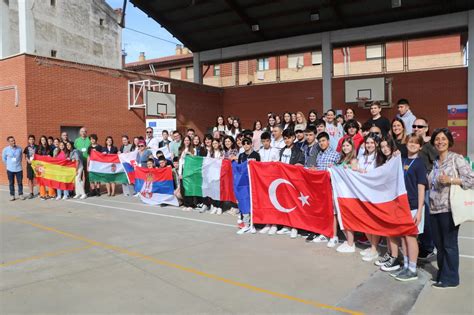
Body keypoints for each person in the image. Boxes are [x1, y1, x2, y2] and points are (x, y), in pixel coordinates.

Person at [428, 128, 474, 289]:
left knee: (449, 244)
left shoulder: (456, 159)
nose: (440, 142)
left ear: (449, 141)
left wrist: (451, 180)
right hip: (434, 209)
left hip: (449, 209)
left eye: (443, 139)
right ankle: (442, 273)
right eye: (437, 139)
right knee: (439, 245)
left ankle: (451, 278)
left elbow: (471, 179)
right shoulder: (434, 161)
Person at [388, 134, 427, 281]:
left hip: (414, 206)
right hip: (402, 206)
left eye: (415, 143)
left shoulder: (419, 163)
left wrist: (420, 210)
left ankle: (412, 268)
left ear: (420, 146)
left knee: (411, 238)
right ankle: (405, 266)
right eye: (410, 142)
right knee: (404, 237)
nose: (412, 145)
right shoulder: (402, 160)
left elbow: (421, 188)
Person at [357, 133, 386, 262]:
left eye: (372, 143)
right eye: (367, 143)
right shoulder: (362, 157)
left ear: (376, 144)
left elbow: (380, 174)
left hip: (375, 194)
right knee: (365, 221)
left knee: (372, 222)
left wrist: (367, 173)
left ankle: (374, 248)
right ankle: (371, 246)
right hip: (362, 193)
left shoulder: (380, 157)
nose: (369, 145)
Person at [310, 132, 340, 247]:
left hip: (331, 187)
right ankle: (324, 233)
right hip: (320, 188)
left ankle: (334, 236)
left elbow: (339, 170)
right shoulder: (319, 155)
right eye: (320, 141)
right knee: (323, 211)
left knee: (332, 212)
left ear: (328, 141)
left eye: (323, 140)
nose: (322, 143)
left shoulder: (335, 155)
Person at [413, 118, 437, 260]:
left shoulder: (429, 145)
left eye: (420, 126)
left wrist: (429, 176)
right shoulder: (412, 142)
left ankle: (428, 246)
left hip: (425, 187)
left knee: (426, 216)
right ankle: (423, 244)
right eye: (414, 126)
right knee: (418, 217)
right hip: (412, 186)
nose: (417, 128)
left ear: (426, 128)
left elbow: (437, 163)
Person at [276, 129, 305, 239]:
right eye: (285, 138)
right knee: (285, 203)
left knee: (293, 204)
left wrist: (298, 166)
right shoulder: (282, 150)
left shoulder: (299, 151)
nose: (287, 140)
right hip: (282, 180)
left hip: (292, 181)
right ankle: (286, 226)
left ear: (294, 138)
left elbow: (301, 164)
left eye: (289, 138)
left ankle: (294, 227)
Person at [335, 138, 359, 253]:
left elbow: (355, 174)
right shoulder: (341, 159)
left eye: (348, 146)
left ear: (352, 147)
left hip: (348, 193)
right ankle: (348, 240)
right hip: (341, 192)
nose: (345, 148)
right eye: (343, 146)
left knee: (348, 217)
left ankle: (351, 243)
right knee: (343, 217)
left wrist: (348, 170)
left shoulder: (353, 160)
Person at [237, 137, 260, 234]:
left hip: (253, 182)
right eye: (244, 144)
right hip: (243, 183)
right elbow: (238, 169)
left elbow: (259, 167)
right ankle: (246, 224)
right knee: (244, 202)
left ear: (251, 144)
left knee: (253, 202)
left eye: (248, 143)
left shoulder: (256, 155)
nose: (246, 145)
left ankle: (253, 224)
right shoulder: (241, 156)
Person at [2, 136, 24, 201]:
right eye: (11, 141)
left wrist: (18, 163)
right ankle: (12, 195)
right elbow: (4, 159)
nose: (13, 142)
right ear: (9, 142)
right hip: (10, 169)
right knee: (11, 183)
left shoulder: (19, 148)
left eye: (14, 140)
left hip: (19, 169)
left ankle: (20, 194)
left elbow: (21, 157)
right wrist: (8, 165)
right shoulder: (5, 150)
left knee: (20, 182)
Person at [178, 136, 196, 211]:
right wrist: (180, 173)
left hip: (190, 170)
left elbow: (195, 160)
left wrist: (189, 153)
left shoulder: (193, 149)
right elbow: (180, 162)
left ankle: (190, 204)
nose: (186, 141)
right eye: (185, 140)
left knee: (189, 188)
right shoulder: (181, 150)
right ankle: (185, 204)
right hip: (183, 169)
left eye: (188, 140)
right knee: (183, 188)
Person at [36, 136, 55, 200]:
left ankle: (51, 194)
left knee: (50, 180)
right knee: (42, 181)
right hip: (41, 167)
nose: (43, 141)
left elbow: (53, 157)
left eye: (44, 140)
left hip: (49, 166)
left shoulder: (50, 148)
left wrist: (50, 156)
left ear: (46, 140)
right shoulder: (38, 148)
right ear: (40, 141)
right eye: (42, 140)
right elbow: (36, 157)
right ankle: (43, 194)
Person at [74, 127, 91, 193]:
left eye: (84, 131)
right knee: (79, 176)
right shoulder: (77, 140)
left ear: (86, 132)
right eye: (82, 131)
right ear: (80, 133)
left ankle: (87, 190)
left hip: (87, 160)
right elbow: (75, 149)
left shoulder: (89, 140)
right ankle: (79, 190)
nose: (83, 133)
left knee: (87, 175)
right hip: (80, 160)